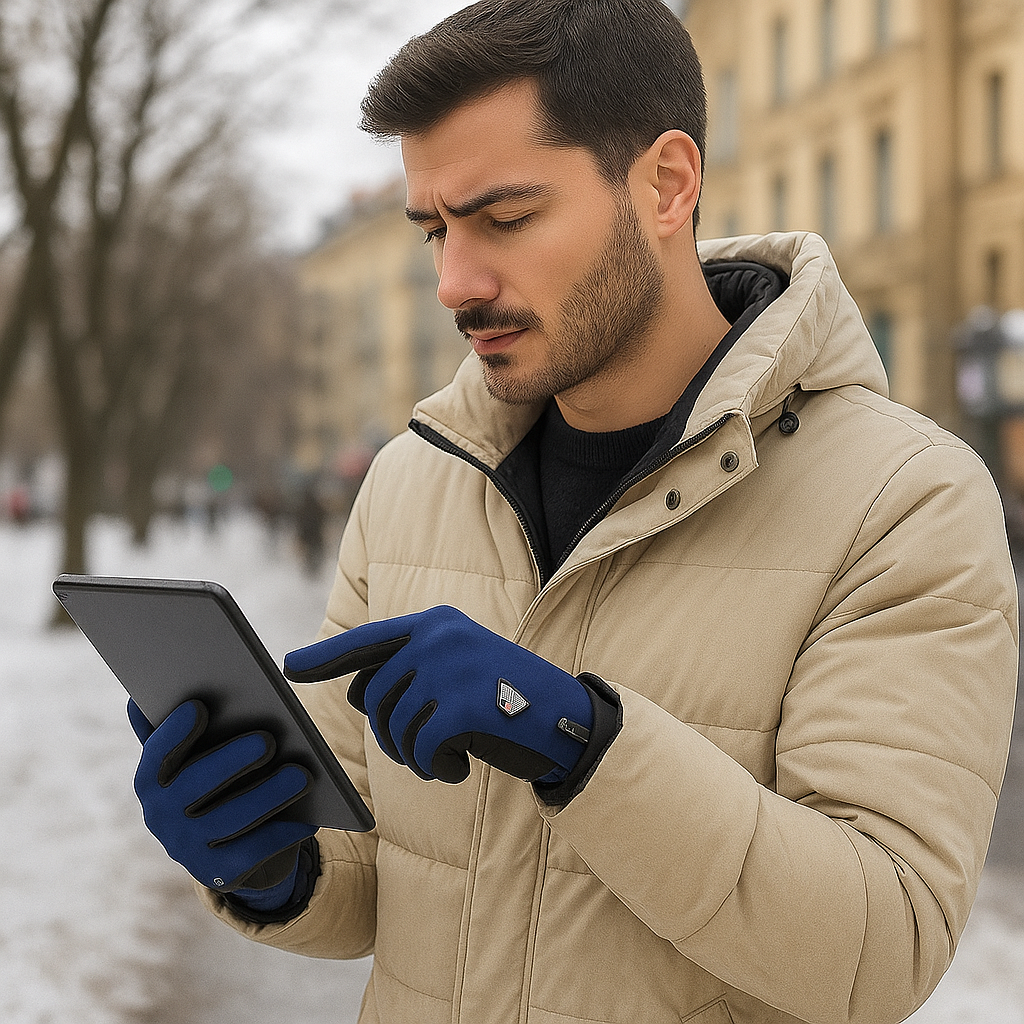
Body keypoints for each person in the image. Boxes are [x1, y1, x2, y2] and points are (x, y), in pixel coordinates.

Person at [127, 2, 1019, 1022]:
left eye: (505, 218)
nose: (454, 283)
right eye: (434, 229)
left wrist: (580, 740)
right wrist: (271, 861)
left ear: (665, 184)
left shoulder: (904, 500)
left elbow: (880, 950)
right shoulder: (414, 481)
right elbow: (374, 879)